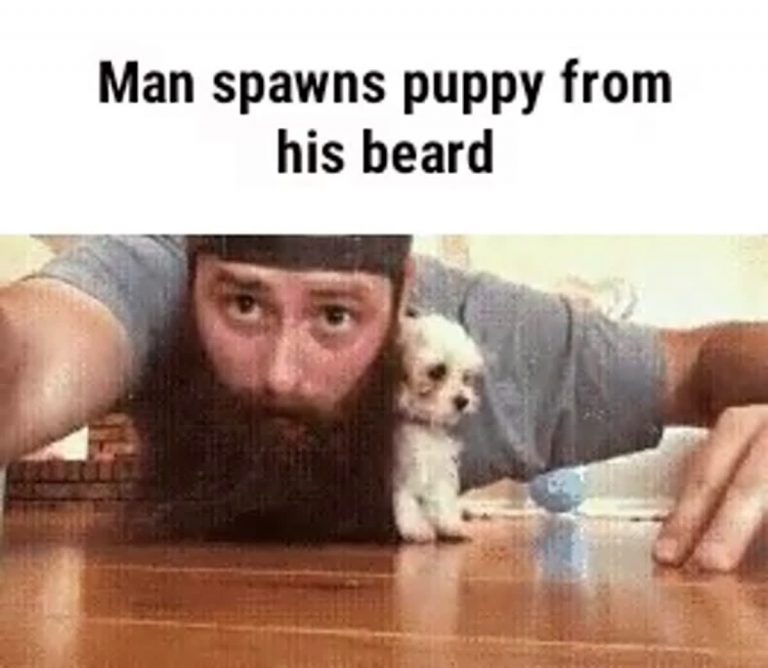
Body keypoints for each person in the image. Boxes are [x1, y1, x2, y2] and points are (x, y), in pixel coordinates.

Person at [1, 236, 767, 567]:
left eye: (336, 316)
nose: (282, 376)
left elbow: (703, 363)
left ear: (406, 297)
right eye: (243, 305)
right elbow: (32, 349)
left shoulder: (477, 338)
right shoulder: (155, 274)